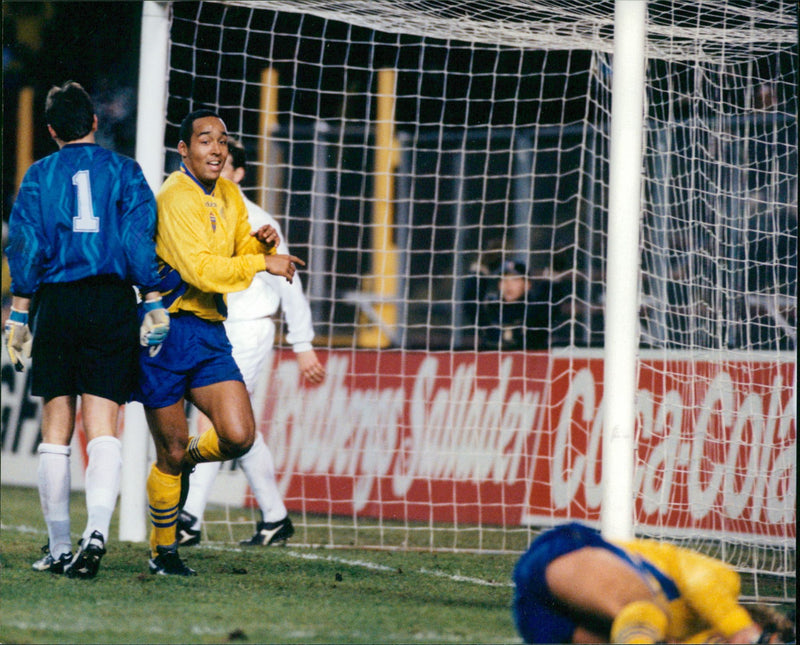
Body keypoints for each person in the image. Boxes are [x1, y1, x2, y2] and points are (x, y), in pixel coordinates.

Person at [3, 81, 169, 579]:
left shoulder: (38, 176)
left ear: (51, 130)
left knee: (55, 432)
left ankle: (57, 547)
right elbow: (140, 239)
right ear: (94, 123)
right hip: (111, 301)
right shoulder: (125, 171)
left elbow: (25, 246)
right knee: (103, 427)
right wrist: (153, 299)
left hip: (57, 302)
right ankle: (96, 531)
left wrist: (18, 314)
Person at [132, 108, 303, 576]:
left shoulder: (228, 193)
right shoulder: (175, 196)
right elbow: (202, 271)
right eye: (205, 140)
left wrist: (259, 247)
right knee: (168, 450)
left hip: (209, 333)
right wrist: (260, 264)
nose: (217, 148)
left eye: (223, 140)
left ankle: (184, 458)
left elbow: (232, 256)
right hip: (165, 333)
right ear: (184, 149)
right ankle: (163, 551)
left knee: (238, 434)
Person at [176, 138, 325, 548]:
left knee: (213, 420)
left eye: (223, 165)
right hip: (214, 329)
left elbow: (289, 281)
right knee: (237, 428)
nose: (215, 169)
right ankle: (276, 518)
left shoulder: (256, 218)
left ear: (238, 174)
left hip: (248, 328)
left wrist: (303, 342)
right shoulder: (203, 214)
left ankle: (188, 518)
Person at [512, 522, 795, 644]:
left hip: (545, 620)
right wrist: (741, 630)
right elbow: (701, 582)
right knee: (646, 606)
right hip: (565, 556)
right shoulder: (725, 587)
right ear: (766, 627)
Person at [479, 259, 548, 350]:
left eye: (515, 279)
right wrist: (480, 270)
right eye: (504, 279)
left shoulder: (536, 309)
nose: (508, 285)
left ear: (527, 284)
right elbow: (470, 302)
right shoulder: (491, 308)